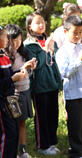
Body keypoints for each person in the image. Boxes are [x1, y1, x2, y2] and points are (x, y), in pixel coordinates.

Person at [0, 24, 27, 158]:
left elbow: (7, 75)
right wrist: (13, 79)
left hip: (9, 100)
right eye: (4, 36)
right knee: (5, 135)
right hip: (0, 101)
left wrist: (22, 69)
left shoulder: (4, 55)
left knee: (13, 133)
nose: (7, 39)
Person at [24, 12, 63, 155]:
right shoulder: (28, 45)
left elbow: (56, 59)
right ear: (29, 26)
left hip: (52, 83)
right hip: (39, 85)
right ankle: (43, 145)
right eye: (37, 22)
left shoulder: (49, 40)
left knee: (53, 114)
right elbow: (36, 65)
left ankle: (52, 142)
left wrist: (52, 49)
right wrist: (46, 49)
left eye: (43, 22)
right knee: (42, 117)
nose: (41, 25)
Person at [5, 24, 35, 158]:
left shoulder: (23, 51)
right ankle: (13, 151)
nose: (16, 43)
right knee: (14, 124)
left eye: (19, 40)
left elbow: (25, 71)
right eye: (13, 40)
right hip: (14, 94)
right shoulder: (5, 55)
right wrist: (24, 67)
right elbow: (9, 75)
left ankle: (23, 151)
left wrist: (31, 66)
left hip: (25, 90)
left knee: (22, 122)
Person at [56, 15, 82, 158]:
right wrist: (78, 60)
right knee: (75, 126)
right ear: (65, 32)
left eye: (80, 32)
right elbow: (65, 72)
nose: (78, 35)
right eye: (74, 32)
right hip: (73, 93)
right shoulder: (62, 52)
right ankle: (76, 152)